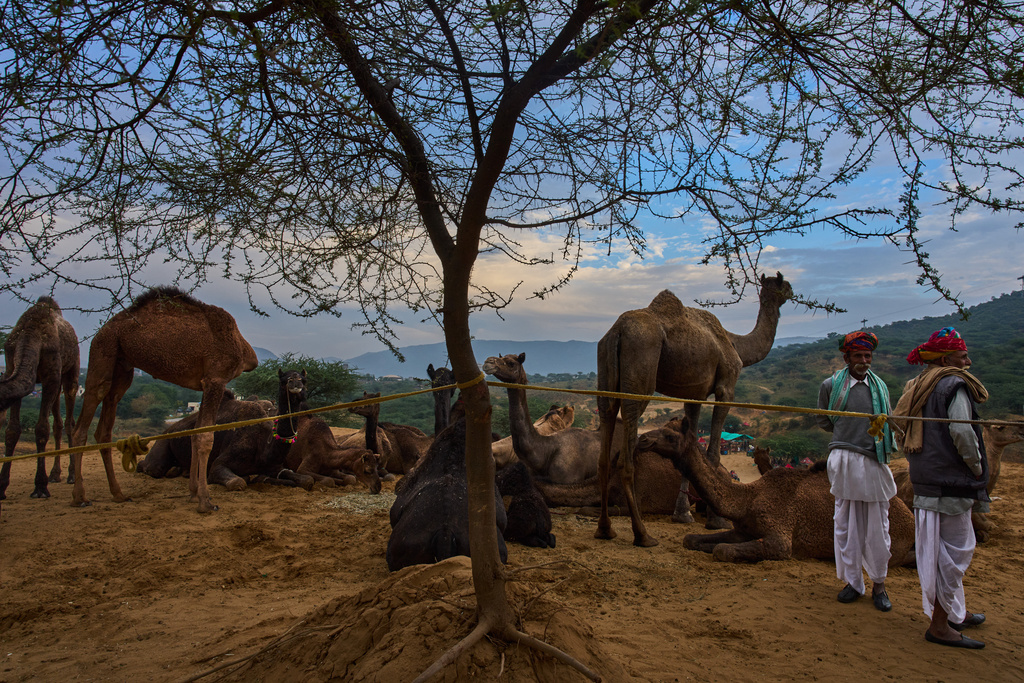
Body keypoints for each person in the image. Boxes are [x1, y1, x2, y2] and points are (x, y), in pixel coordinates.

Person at [892, 327, 989, 649]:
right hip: (951, 481)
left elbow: (898, 428)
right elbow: (962, 432)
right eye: (963, 356)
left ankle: (954, 612)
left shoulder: (916, 385)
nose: (968, 361)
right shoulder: (953, 384)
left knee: (938, 551)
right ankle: (940, 625)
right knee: (954, 554)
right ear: (947, 358)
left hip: (924, 478)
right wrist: (977, 470)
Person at [816, 331, 896, 611]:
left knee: (878, 528)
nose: (864, 360)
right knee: (845, 525)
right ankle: (853, 583)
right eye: (859, 356)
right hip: (843, 457)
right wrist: (846, 435)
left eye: (868, 356)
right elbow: (824, 420)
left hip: (874, 460)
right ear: (846, 357)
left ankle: (879, 586)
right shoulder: (830, 385)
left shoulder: (881, 387)